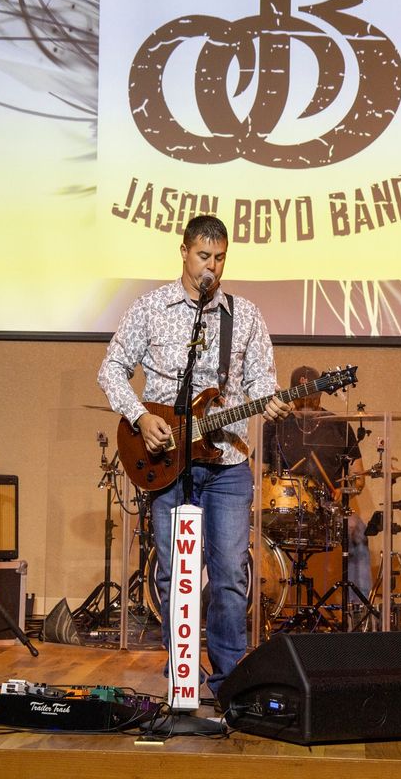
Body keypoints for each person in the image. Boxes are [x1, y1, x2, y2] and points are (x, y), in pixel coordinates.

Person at [98, 215, 290, 698]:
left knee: (228, 574)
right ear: (183, 252)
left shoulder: (243, 315)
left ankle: (229, 683)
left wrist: (269, 399)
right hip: (165, 463)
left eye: (220, 258)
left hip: (227, 463)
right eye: (204, 256)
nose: (212, 267)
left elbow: (262, 381)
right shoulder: (151, 307)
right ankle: (181, 676)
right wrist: (140, 417)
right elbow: (112, 370)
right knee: (172, 574)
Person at [261, 365, 371, 605]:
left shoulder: (339, 424)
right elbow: (256, 471)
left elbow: (358, 475)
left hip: (325, 509)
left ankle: (357, 611)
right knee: (244, 532)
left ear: (321, 393)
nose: (306, 401)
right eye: (300, 396)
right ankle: (259, 606)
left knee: (357, 529)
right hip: (279, 508)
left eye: (312, 395)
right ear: (291, 394)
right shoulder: (275, 424)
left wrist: (345, 490)